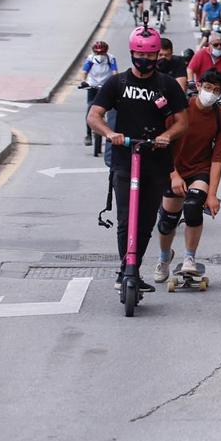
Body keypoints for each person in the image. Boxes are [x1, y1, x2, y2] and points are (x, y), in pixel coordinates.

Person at [87, 26, 189, 292]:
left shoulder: (166, 84)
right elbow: (94, 116)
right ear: (131, 54)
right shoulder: (117, 82)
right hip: (125, 159)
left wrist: (167, 135)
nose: (144, 61)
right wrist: (110, 134)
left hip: (155, 161)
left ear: (157, 56)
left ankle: (135, 265)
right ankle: (125, 269)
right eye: (139, 55)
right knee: (125, 218)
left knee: (144, 221)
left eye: (150, 56)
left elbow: (182, 121)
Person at [154, 69, 221, 283]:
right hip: (172, 167)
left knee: (194, 206)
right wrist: (174, 175)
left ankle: (189, 258)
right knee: (167, 221)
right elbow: (163, 144)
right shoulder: (180, 110)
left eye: (216, 91)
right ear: (198, 86)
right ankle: (164, 257)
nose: (211, 94)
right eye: (207, 88)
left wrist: (212, 195)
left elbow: (218, 159)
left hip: (199, 169)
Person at [80, 41, 118, 145]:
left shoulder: (111, 58)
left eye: (102, 53)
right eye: (98, 53)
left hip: (106, 86)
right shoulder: (90, 59)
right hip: (92, 85)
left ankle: (110, 132)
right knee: (90, 108)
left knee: (111, 110)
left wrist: (115, 82)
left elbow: (115, 72)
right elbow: (84, 72)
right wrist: (83, 81)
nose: (100, 55)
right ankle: (88, 135)